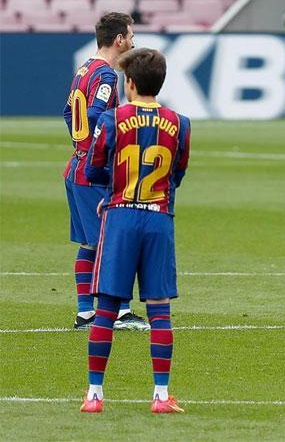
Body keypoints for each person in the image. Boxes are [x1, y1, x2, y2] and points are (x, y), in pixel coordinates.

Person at [80, 48, 191, 414]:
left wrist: (114, 192)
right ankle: (161, 395)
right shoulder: (181, 123)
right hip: (159, 219)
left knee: (107, 308)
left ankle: (95, 394)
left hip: (121, 218)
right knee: (159, 310)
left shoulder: (112, 120)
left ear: (129, 82)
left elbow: (95, 169)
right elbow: (177, 174)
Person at [62, 12, 149, 332]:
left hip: (77, 167)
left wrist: (81, 144)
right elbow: (98, 115)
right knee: (116, 242)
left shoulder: (84, 70)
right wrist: (111, 145)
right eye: (131, 35)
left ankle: (86, 313)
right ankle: (121, 312)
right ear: (119, 40)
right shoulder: (108, 76)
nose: (133, 41)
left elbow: (68, 112)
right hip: (93, 172)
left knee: (90, 243)